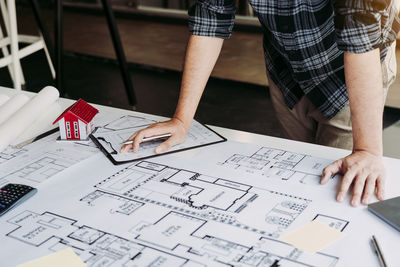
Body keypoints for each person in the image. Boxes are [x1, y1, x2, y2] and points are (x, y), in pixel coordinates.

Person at [121, 0, 400, 207]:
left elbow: (360, 38)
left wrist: (367, 150)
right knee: (303, 179)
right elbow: (210, 19)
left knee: (338, 194)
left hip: (353, 77)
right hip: (287, 70)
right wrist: (182, 120)